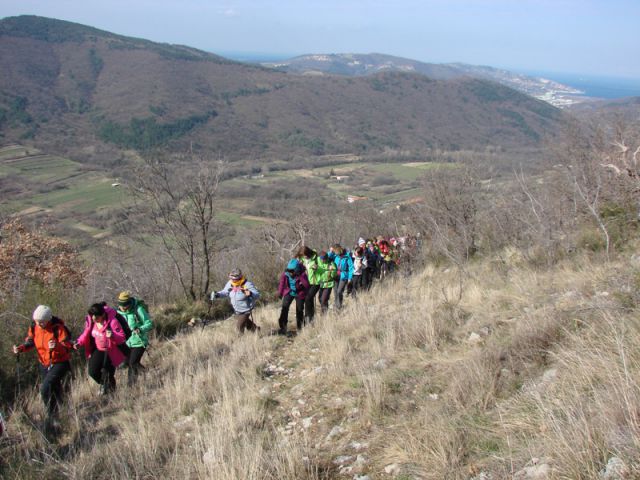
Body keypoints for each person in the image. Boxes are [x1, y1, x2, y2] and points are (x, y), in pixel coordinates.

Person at [12, 305, 73, 431]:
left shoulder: (58, 328)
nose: (39, 323)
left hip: (60, 362)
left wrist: (56, 346)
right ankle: (63, 411)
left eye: (42, 321)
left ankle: (52, 417)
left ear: (48, 319)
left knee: (45, 388)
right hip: (43, 363)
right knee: (55, 390)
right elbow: (30, 342)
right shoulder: (34, 326)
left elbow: (68, 346)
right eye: (37, 321)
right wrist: (20, 348)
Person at [75, 303, 127, 395]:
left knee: (108, 374)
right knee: (92, 371)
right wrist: (79, 342)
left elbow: (122, 337)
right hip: (98, 349)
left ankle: (111, 393)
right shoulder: (91, 322)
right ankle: (106, 386)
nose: (95, 319)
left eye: (97, 317)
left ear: (103, 315)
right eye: (93, 317)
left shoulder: (112, 321)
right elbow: (86, 333)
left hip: (111, 351)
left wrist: (112, 336)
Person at [116, 291, 153, 386]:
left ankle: (131, 386)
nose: (122, 307)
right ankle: (145, 372)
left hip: (140, 341)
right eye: (121, 305)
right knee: (127, 363)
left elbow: (149, 323)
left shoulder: (138, 310)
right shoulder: (117, 313)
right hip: (126, 343)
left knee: (132, 363)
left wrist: (140, 329)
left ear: (129, 303)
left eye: (125, 305)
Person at [211, 268, 260, 334]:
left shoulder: (247, 284)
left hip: (246, 309)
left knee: (239, 326)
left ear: (239, 277)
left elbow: (257, 295)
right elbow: (225, 292)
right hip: (237, 309)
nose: (232, 280)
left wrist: (250, 293)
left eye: (234, 279)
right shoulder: (230, 283)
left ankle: (240, 341)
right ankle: (256, 330)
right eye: (231, 278)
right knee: (247, 324)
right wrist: (217, 294)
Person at [277, 259, 309, 335]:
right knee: (285, 308)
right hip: (289, 292)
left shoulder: (302, 274)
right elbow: (282, 283)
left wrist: (300, 276)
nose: (290, 272)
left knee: (299, 309)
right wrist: (280, 293)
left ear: (296, 269)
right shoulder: (285, 274)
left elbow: (307, 285)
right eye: (289, 270)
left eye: (292, 271)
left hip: (300, 293)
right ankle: (283, 327)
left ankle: (300, 328)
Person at [297, 246, 322, 325]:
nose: (304, 256)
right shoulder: (302, 259)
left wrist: (317, 268)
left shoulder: (316, 258)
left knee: (308, 298)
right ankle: (311, 320)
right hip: (306, 282)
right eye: (302, 255)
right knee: (308, 300)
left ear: (308, 253)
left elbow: (323, 269)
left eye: (305, 255)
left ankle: (308, 317)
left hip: (315, 282)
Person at [330, 244, 354, 310]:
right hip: (335, 274)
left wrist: (349, 278)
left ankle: (339, 305)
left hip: (343, 275)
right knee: (335, 291)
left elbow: (351, 267)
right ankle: (336, 304)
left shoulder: (347, 256)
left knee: (339, 291)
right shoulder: (334, 255)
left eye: (335, 251)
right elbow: (328, 257)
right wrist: (331, 251)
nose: (335, 253)